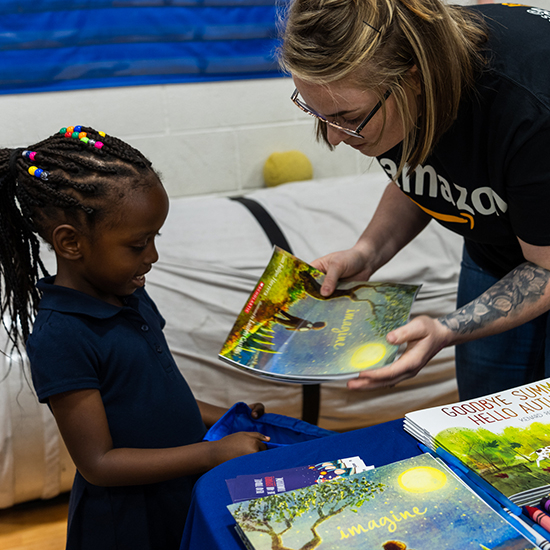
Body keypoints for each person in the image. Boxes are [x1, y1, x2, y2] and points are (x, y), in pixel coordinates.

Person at [0, 127, 269, 550]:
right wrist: (210, 454)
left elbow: (157, 395)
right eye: (139, 243)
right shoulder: (60, 336)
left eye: (155, 238)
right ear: (70, 242)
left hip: (180, 494)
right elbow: (98, 464)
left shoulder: (132, 293)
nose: (153, 256)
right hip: (127, 524)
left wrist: (224, 415)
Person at [281, 0, 550, 400]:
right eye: (318, 114)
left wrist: (445, 330)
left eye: (349, 119)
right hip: (496, 249)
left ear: (417, 76)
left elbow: (545, 268)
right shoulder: (386, 90)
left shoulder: (530, 108)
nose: (335, 138)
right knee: (483, 415)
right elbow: (426, 175)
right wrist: (367, 253)